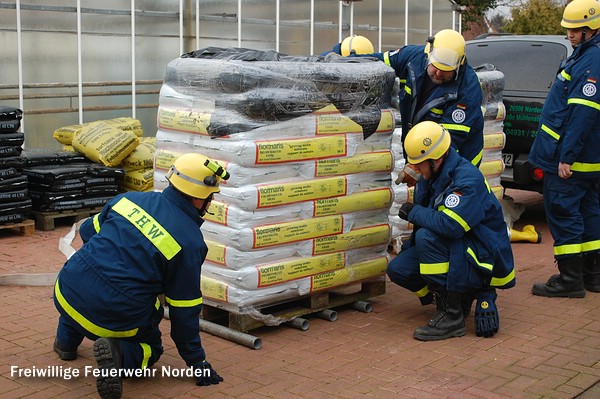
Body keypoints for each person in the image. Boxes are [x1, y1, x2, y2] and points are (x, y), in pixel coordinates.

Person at [53, 153, 227, 399]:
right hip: (114, 314)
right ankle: (120, 354)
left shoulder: (129, 200)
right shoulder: (189, 242)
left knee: (84, 291)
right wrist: (196, 361)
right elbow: (183, 309)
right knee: (151, 346)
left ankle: (65, 344)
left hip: (66, 288)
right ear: (200, 198)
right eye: (211, 196)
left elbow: (87, 231)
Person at [386, 121, 516, 340]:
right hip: (459, 247)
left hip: (481, 252)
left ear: (436, 159)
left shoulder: (466, 179)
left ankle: (452, 316)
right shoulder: (431, 177)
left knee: (429, 238)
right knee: (399, 268)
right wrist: (409, 247)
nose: (415, 169)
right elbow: (427, 222)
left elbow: (451, 226)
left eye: (419, 165)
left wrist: (487, 296)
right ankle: (453, 297)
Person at [529, 0, 600, 298]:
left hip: (569, 159)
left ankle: (569, 279)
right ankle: (592, 276)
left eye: (576, 30)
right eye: (568, 29)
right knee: (588, 212)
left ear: (591, 29)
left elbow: (582, 115)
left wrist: (565, 158)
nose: (570, 34)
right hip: (585, 159)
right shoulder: (585, 55)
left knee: (563, 211)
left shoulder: (591, 60)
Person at [348, 29, 484, 168]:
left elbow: (448, 140)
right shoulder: (413, 58)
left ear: (459, 65)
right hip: (423, 152)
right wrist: (340, 62)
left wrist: (417, 168)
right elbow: (377, 61)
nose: (438, 73)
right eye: (435, 67)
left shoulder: (468, 89)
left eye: (445, 71)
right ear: (429, 53)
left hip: (458, 162)